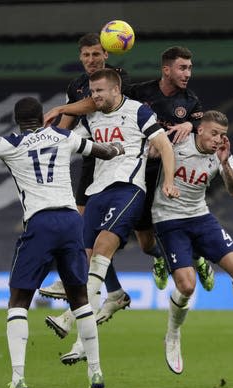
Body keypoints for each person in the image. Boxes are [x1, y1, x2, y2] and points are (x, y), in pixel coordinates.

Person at [0, 98, 126, 388]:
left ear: (18, 121)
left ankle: (18, 378)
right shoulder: (63, 136)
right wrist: (117, 149)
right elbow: (103, 151)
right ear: (42, 118)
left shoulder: (11, 142)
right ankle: (96, 372)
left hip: (41, 222)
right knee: (80, 299)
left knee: (18, 300)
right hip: (72, 221)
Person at [41, 45, 214, 293]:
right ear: (166, 70)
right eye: (183, 68)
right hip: (140, 170)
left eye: (189, 68)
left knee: (168, 229)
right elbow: (101, 102)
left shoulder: (191, 102)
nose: (188, 73)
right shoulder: (140, 93)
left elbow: (204, 128)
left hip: (167, 174)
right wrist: (63, 108)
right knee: (145, 243)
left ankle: (195, 257)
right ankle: (155, 261)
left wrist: (190, 124)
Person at [45, 68, 179, 365]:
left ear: (116, 90)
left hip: (128, 189)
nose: (95, 96)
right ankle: (84, 339)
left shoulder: (138, 112)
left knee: (103, 250)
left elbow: (165, 147)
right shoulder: (91, 118)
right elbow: (70, 140)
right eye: (92, 92)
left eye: (100, 91)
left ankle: (71, 321)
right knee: (88, 261)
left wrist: (168, 180)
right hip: (96, 193)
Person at [152, 110, 233, 374]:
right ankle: (173, 335)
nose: (218, 139)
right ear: (199, 130)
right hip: (168, 219)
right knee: (187, 287)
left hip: (200, 217)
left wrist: (224, 164)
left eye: (222, 135)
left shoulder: (220, 153)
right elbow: (150, 152)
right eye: (214, 133)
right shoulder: (177, 141)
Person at [38, 32, 132, 314]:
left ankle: (83, 282)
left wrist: (60, 107)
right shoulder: (77, 85)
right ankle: (113, 291)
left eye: (96, 54)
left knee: (146, 236)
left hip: (123, 160)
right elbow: (67, 123)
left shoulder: (118, 78)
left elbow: (94, 103)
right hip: (94, 161)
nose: (91, 60)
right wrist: (48, 141)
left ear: (106, 55)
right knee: (84, 231)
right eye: (86, 55)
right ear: (80, 57)